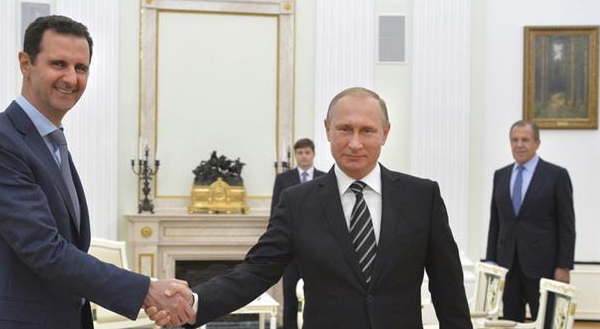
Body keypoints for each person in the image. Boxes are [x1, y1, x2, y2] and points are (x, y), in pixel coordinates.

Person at [149, 87, 472, 328]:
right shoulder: (298, 202)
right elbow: (254, 272)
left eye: (367, 130)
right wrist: (194, 302)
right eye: (345, 129)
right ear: (328, 129)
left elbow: (448, 288)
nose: (355, 142)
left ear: (385, 133)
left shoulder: (421, 197)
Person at [0, 15, 193, 329]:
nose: (71, 78)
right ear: (25, 64)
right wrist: (146, 290)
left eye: (81, 68)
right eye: (58, 64)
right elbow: (44, 248)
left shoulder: (51, 144)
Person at [486, 120, 575, 322]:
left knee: (546, 321)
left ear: (537, 143)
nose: (519, 145)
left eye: (525, 140)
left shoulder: (556, 176)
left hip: (544, 267)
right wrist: (491, 261)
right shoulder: (501, 175)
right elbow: (496, 223)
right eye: (514, 140)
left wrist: (564, 266)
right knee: (510, 321)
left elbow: (567, 226)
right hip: (507, 266)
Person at [270, 138, 325, 329]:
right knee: (290, 299)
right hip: (291, 250)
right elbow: (275, 213)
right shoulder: (283, 179)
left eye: (307, 152)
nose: (303, 156)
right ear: (296, 155)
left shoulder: (324, 178)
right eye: (300, 153)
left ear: (313, 154)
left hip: (318, 250)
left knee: (317, 298)